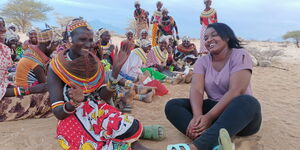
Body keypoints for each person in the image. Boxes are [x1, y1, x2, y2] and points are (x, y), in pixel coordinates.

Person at [48, 18, 163, 150]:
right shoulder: (56, 67)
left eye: (90, 40)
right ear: (69, 41)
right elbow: (58, 112)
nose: (88, 44)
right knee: (101, 145)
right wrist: (73, 102)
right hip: (71, 118)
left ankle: (136, 138)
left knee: (130, 128)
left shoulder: (95, 63)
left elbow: (104, 96)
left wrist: (115, 72)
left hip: (97, 110)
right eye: (82, 39)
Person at [165, 23, 261, 150]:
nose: (209, 40)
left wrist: (209, 117)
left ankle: (196, 147)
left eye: (214, 35)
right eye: (205, 38)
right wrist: (198, 116)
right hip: (214, 108)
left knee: (248, 101)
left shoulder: (240, 55)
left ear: (226, 37)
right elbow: (197, 90)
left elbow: (236, 90)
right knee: (173, 105)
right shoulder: (202, 62)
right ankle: (213, 142)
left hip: (240, 115)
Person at [0, 17, 51, 122]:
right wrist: (28, 90)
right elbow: (18, 57)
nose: (3, 30)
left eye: (3, 26)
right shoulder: (23, 46)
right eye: (31, 34)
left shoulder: (7, 48)